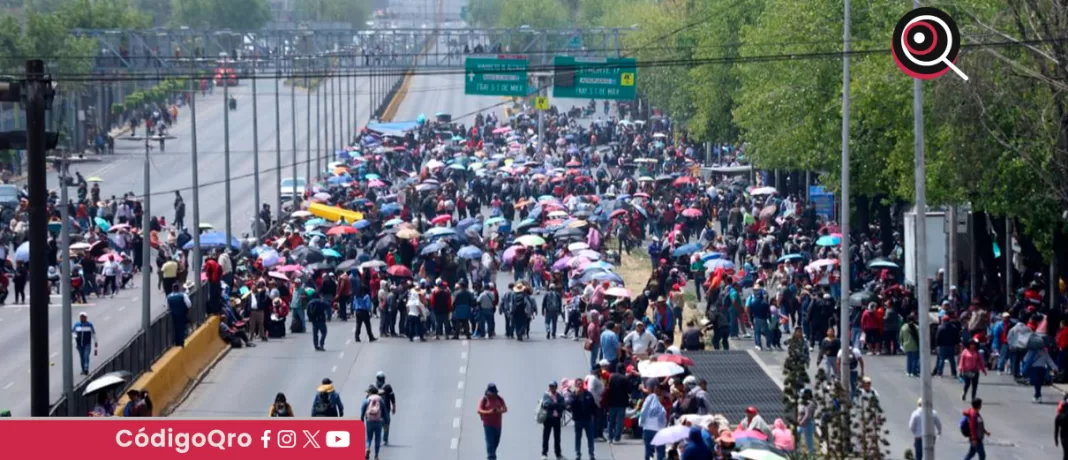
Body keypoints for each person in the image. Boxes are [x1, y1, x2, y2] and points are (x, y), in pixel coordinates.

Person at [477, 383, 508, 460]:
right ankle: (491, 457)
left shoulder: (499, 399)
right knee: (490, 446)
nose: (493, 395)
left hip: (497, 425)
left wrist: (498, 410)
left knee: (495, 443)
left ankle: (492, 455)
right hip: (488, 425)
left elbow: (505, 409)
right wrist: (489, 412)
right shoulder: (484, 399)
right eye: (491, 393)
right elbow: (479, 410)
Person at [568, 379, 597, 460]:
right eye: (578, 384)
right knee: (578, 438)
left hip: (588, 420)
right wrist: (577, 397)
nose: (580, 385)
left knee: (590, 438)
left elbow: (593, 406)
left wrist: (595, 415)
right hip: (578, 420)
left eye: (581, 384)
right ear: (576, 385)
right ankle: (578, 454)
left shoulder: (588, 394)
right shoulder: (573, 395)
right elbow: (571, 406)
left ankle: (591, 454)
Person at [639, 383, 667, 460]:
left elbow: (642, 413)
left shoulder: (647, 401)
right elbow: (663, 417)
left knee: (648, 451)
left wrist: (641, 423)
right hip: (658, 430)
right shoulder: (660, 404)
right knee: (660, 450)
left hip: (647, 429)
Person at [538, 381, 565, 460]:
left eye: (553, 386)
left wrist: (554, 405)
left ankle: (558, 454)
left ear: (556, 387)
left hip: (557, 419)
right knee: (546, 437)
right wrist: (556, 404)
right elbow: (546, 404)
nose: (551, 388)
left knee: (557, 437)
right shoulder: (546, 395)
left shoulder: (559, 395)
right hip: (548, 419)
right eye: (550, 386)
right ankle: (544, 453)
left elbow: (563, 405)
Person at [361, 385, 385, 460]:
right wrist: (386, 421)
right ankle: (376, 456)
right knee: (377, 439)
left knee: (369, 438)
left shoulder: (367, 400)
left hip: (369, 421)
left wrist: (362, 419)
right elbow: (384, 412)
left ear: (370, 393)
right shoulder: (380, 400)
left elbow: (362, 410)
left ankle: (367, 448)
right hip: (378, 422)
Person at [373, 372, 397, 445]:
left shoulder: (373, 386)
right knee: (386, 423)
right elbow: (392, 398)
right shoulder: (388, 387)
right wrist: (394, 407)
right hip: (386, 409)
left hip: (375, 409)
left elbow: (368, 398)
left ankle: (378, 438)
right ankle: (385, 439)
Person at [167, 283, 191, 347]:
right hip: (182, 313)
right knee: (181, 328)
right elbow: (189, 304)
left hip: (174, 315)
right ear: (178, 288)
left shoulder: (169, 296)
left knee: (176, 328)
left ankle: (177, 341)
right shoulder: (183, 295)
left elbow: (168, 307)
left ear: (172, 289)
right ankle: (181, 342)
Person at [1055, 395, 1068, 460]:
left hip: (1063, 436)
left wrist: (1056, 439)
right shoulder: (1060, 417)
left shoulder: (1059, 417)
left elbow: (1056, 429)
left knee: (1066, 453)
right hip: (1064, 436)